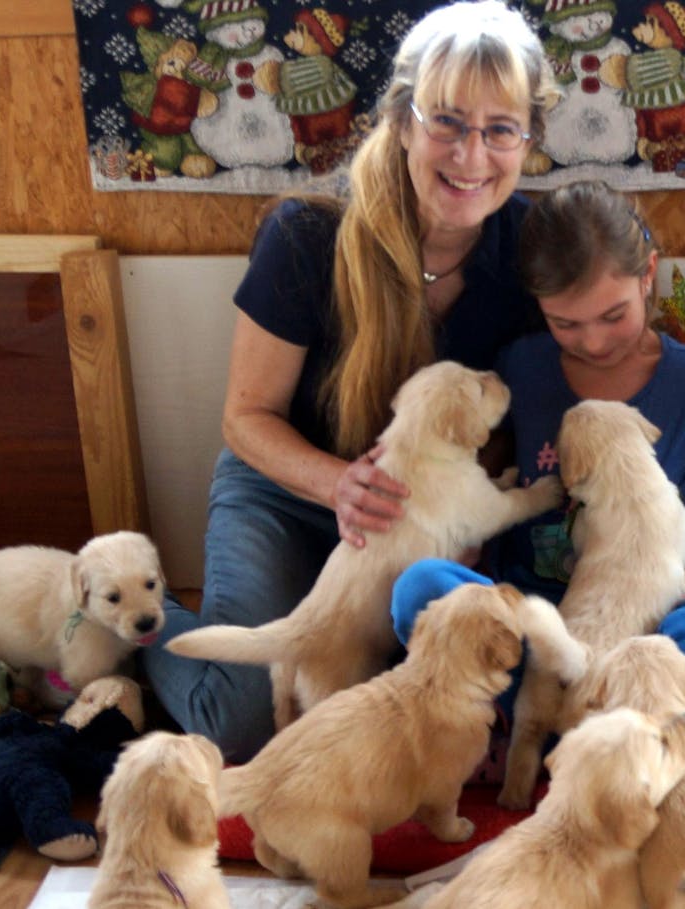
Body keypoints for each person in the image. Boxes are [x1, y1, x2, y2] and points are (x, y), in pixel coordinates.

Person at [142, 0, 558, 762]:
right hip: (287, 487)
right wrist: (337, 484)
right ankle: (134, 620)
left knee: (427, 711)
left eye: (500, 129)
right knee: (240, 722)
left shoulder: (532, 250)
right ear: (402, 122)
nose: (472, 155)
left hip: (421, 516)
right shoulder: (307, 233)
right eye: (447, 122)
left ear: (527, 141)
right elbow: (246, 416)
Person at [391, 180, 685, 718]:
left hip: (646, 625)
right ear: (539, 308)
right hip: (534, 621)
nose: (593, 342)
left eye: (613, 316)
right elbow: (482, 464)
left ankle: (558, 725)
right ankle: (612, 724)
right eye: (565, 324)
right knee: (422, 588)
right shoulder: (522, 365)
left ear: (648, 275)